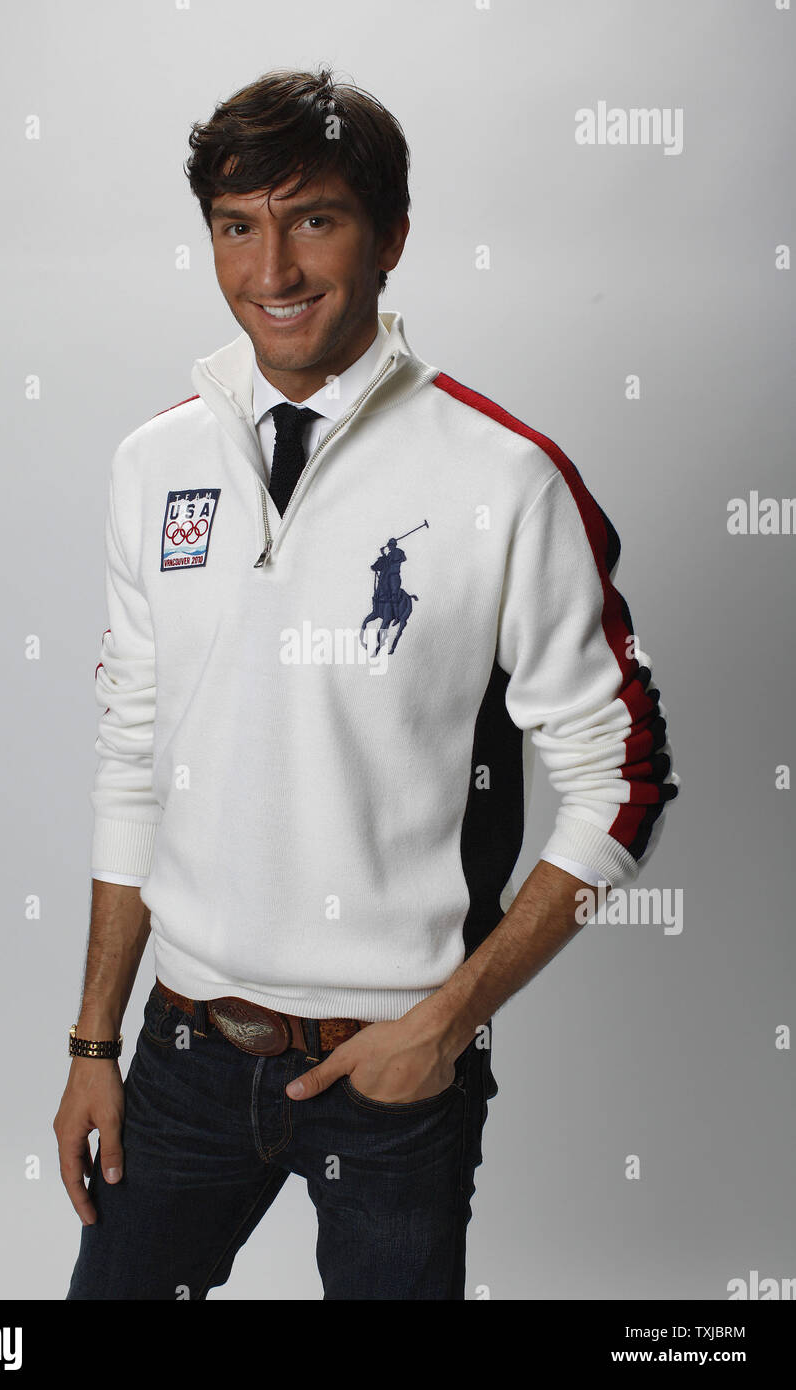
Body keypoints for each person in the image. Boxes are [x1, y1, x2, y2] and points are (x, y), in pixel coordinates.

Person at [55, 66, 679, 1301]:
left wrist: (443, 1023)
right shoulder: (152, 463)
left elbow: (624, 777)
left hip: (390, 1077)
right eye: (239, 226)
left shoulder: (507, 478)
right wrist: (93, 1040)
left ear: (392, 238)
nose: (273, 268)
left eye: (315, 219)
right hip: (180, 1054)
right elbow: (133, 755)